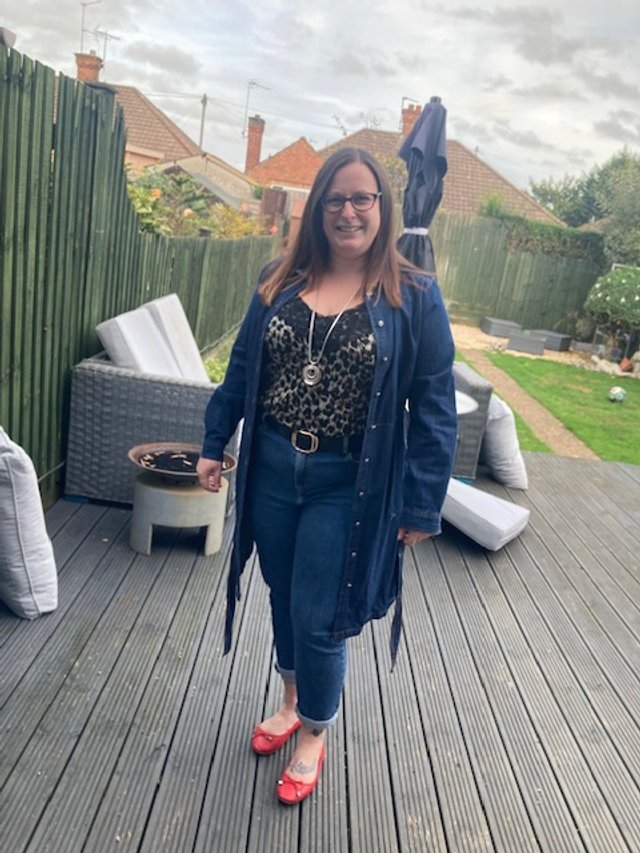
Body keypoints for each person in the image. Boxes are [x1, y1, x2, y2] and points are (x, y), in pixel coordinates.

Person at [196, 146, 457, 805]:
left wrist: (421, 504)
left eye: (362, 198)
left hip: (350, 480)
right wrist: (213, 440)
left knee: (320, 613)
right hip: (272, 465)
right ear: (317, 208)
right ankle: (291, 700)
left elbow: (434, 405)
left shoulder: (413, 295)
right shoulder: (279, 279)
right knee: (282, 593)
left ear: (382, 207)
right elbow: (242, 370)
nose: (348, 211)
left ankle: (314, 729)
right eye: (335, 199)